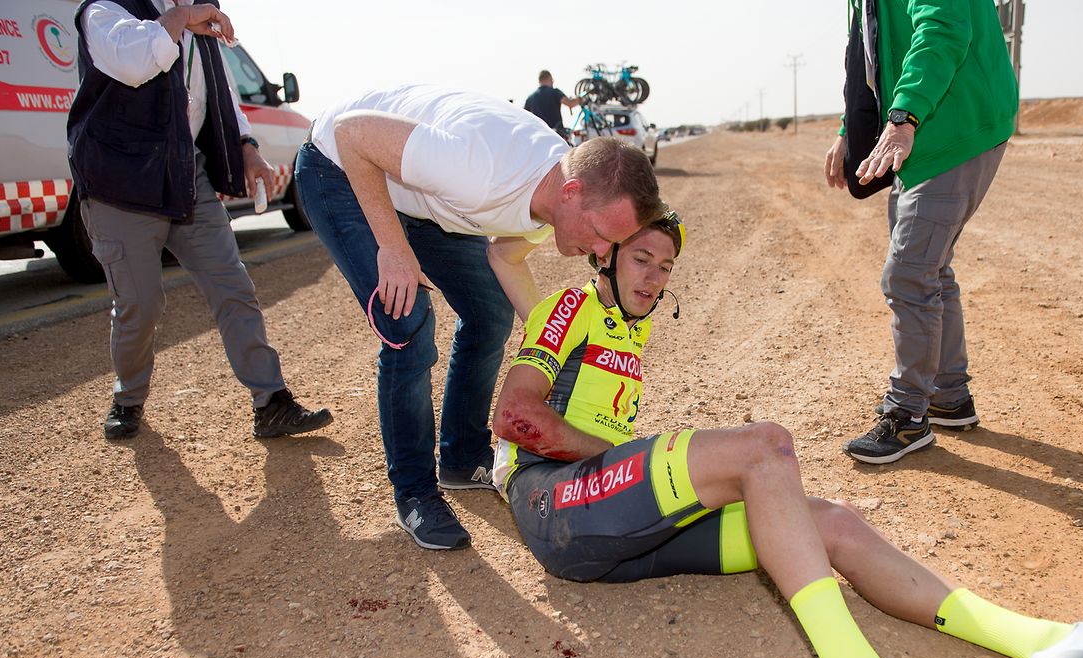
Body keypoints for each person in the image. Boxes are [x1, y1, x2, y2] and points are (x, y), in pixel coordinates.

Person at [490, 213, 1083, 658]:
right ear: (603, 255)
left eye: (666, 266)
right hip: (555, 504)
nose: (654, 278)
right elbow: (516, 417)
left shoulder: (631, 327)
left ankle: (1047, 643)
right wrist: (631, 456)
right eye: (641, 258)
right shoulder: (569, 305)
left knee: (826, 522)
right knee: (763, 448)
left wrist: (636, 464)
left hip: (612, 532)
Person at [294, 84, 662, 552]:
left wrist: (557, 347)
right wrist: (393, 248)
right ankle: (415, 493)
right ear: (571, 194)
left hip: (422, 198)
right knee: (408, 320)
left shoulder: (557, 194)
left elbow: (505, 259)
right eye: (599, 234)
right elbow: (353, 134)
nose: (601, 253)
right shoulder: (480, 169)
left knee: (489, 313)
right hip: (341, 167)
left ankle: (462, 458)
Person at [68, 0, 333, 443]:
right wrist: (178, 19)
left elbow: (221, 92)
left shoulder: (198, 24)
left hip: (185, 174)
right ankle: (128, 397)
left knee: (233, 286)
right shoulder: (105, 10)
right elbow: (133, 63)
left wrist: (246, 146)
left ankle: (271, 402)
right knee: (141, 304)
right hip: (120, 181)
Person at [822, 0, 1018, 464]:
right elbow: (874, 53)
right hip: (925, 130)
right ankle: (948, 397)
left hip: (950, 124)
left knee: (909, 275)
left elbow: (943, 29)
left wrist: (903, 118)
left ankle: (908, 416)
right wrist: (850, 128)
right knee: (929, 269)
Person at [524, 70, 583, 141]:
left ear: (539, 81)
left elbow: (524, 118)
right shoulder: (555, 92)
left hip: (539, 137)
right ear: (550, 79)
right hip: (556, 135)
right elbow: (570, 103)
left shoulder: (530, 98)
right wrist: (581, 99)